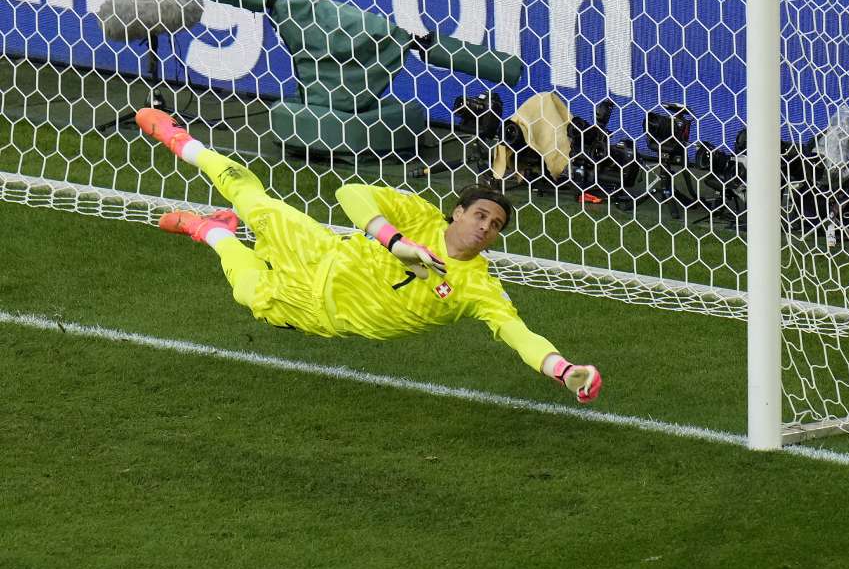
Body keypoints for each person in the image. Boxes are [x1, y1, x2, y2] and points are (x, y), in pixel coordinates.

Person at [136, 108, 601, 403]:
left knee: (247, 290)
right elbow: (351, 192)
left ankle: (211, 232)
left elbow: (519, 334)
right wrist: (395, 241)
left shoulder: (478, 287)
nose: (485, 228)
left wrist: (563, 370)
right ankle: (185, 143)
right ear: (457, 212)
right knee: (255, 201)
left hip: (318, 310)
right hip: (322, 250)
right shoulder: (419, 218)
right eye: (480, 215)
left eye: (495, 226)